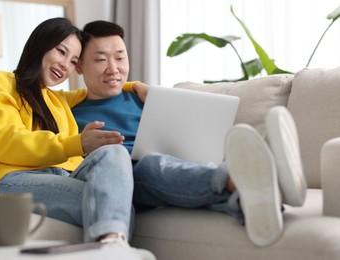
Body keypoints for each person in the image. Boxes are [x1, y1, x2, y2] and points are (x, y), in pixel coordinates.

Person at [72, 20, 307, 247]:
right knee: (152, 164)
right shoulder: (69, 114)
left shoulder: (146, 98)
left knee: (163, 164)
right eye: (101, 59)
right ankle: (259, 176)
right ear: (80, 65)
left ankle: (252, 198)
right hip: (122, 179)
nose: (113, 68)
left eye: (120, 57)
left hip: (172, 165)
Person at [0, 17, 155, 259]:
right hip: (12, 180)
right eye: (61, 52)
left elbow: (100, 87)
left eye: (73, 61)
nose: (65, 65)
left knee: (113, 152)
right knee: (114, 203)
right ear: (41, 45)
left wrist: (137, 86)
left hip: (63, 176)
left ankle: (109, 248)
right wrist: (76, 144)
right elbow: (6, 142)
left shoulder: (56, 99)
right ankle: (110, 250)